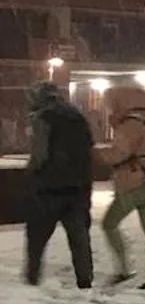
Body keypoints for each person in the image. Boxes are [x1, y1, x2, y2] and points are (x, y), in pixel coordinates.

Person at [93, 86, 145, 290]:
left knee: (109, 223)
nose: (108, 108)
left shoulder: (130, 125)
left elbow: (119, 153)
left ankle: (124, 269)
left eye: (110, 103)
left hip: (133, 183)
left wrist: (96, 154)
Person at [25, 82, 94, 289]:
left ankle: (32, 277)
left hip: (49, 188)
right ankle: (85, 278)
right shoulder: (78, 117)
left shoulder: (42, 118)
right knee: (79, 236)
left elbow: (40, 154)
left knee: (37, 235)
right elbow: (89, 149)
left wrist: (32, 174)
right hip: (78, 187)